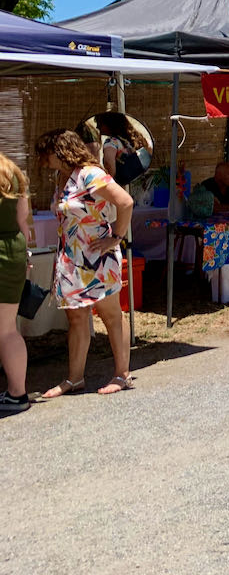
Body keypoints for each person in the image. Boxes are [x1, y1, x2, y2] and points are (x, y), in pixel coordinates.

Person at [34, 129, 134, 397]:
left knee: (111, 316)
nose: (43, 161)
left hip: (96, 257)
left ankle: (122, 375)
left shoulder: (90, 174)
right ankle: (74, 378)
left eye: (45, 154)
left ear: (59, 151)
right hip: (71, 259)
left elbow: (125, 202)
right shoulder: (62, 178)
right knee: (77, 318)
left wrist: (117, 237)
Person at [0, 152, 35, 415]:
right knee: (8, 329)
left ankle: (16, 394)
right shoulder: (12, 171)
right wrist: (27, 255)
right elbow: (24, 219)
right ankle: (17, 392)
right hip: (13, 251)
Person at [97, 111, 150, 185]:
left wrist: (109, 184)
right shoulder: (132, 139)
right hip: (139, 182)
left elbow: (109, 164)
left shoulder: (111, 142)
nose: (97, 126)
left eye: (100, 124)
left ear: (109, 124)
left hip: (122, 184)